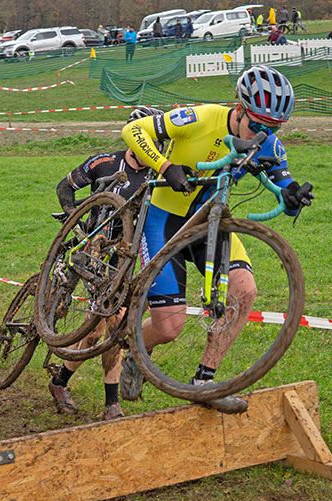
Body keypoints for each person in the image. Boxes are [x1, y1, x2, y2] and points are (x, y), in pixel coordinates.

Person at [120, 65, 314, 413]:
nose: (261, 136)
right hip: (164, 219)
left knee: (245, 290)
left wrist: (291, 195)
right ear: (238, 110)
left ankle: (204, 383)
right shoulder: (203, 116)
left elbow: (283, 179)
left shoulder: (267, 141)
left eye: (270, 130)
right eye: (255, 126)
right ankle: (135, 351)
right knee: (169, 327)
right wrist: (165, 166)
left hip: (210, 220)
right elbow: (133, 130)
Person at [47, 136, 154, 421]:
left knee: (101, 330)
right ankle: (112, 404)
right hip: (93, 248)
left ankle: (59, 382)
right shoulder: (105, 162)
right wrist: (77, 222)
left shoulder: (156, 175)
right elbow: (65, 187)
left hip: (123, 254)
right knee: (109, 324)